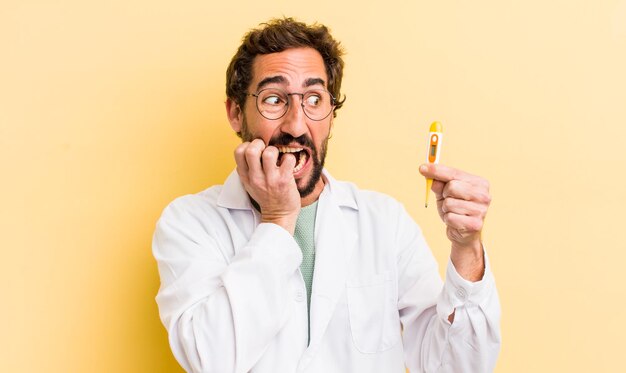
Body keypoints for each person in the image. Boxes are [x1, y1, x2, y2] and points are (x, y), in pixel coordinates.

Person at [153, 17, 501, 373]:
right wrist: (277, 219)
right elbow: (211, 360)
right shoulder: (189, 223)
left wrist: (467, 248)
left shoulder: (384, 223)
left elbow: (456, 368)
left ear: (331, 115)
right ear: (236, 113)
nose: (296, 125)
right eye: (274, 99)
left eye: (314, 100)